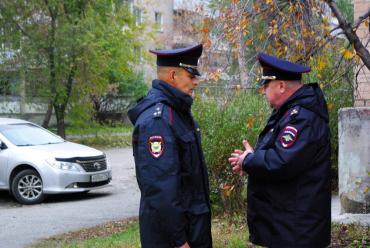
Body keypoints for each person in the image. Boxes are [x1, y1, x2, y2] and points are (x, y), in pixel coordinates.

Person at [228, 53, 331, 247]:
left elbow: (281, 162)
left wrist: (249, 161)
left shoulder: (301, 118)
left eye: (266, 86)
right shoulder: (289, 113)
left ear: (281, 86)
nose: (263, 91)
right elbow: (279, 156)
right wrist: (251, 160)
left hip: (297, 231)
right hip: (289, 226)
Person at [128, 44, 212, 248]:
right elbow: (160, 190)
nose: (196, 82)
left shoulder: (177, 112)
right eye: (191, 76)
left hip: (192, 229)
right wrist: (179, 241)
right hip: (174, 239)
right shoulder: (159, 120)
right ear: (173, 75)